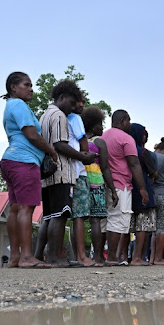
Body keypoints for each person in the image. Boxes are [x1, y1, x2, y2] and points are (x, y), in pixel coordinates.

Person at [0, 72, 57, 268]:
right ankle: (27, 257)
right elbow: (31, 134)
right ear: (13, 88)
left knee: (15, 209)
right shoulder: (19, 105)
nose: (31, 89)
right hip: (24, 161)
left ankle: (15, 257)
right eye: (27, 85)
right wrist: (51, 150)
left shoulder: (10, 106)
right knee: (26, 208)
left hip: (10, 160)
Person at [35, 80, 95, 267]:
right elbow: (60, 144)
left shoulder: (45, 115)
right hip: (61, 171)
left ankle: (47, 255)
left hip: (48, 173)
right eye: (71, 102)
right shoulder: (60, 116)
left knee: (51, 215)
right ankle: (54, 257)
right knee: (60, 215)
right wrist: (81, 157)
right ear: (61, 98)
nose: (73, 107)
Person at [102, 109, 147, 265]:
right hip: (121, 184)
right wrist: (142, 188)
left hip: (104, 183)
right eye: (128, 121)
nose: (129, 124)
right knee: (118, 220)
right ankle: (112, 257)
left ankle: (101, 256)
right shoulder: (126, 138)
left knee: (105, 220)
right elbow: (134, 164)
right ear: (122, 121)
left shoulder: (103, 136)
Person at [82, 105, 116, 266]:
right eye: (101, 124)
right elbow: (105, 168)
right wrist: (113, 190)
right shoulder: (99, 142)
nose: (102, 128)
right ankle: (98, 257)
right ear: (94, 125)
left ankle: (81, 257)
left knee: (79, 221)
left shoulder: (79, 141)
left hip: (81, 184)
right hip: (96, 184)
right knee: (96, 221)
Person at [67, 93, 98, 266]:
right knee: (79, 216)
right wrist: (87, 155)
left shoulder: (59, 117)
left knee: (62, 215)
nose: (81, 105)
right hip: (78, 171)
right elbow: (83, 141)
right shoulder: (75, 118)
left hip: (65, 171)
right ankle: (81, 256)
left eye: (83, 102)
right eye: (78, 101)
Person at [128, 123, 157, 266]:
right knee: (144, 227)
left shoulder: (126, 149)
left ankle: (123, 256)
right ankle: (138, 257)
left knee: (128, 227)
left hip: (129, 190)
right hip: (144, 190)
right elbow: (154, 172)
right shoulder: (144, 152)